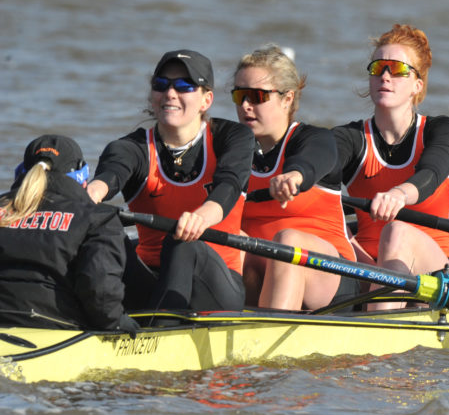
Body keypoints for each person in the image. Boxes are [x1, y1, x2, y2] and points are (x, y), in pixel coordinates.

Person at [87, 49, 255, 311]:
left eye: (185, 86)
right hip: (150, 280)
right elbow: (110, 176)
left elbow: (230, 184)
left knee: (183, 243)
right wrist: (90, 195)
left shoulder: (233, 138)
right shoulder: (130, 147)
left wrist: (201, 217)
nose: (170, 93)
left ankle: (157, 327)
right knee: (103, 229)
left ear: (206, 100)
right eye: (161, 84)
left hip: (214, 286)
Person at [334, 24, 449, 309]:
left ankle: (377, 339)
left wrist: (400, 195)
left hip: (434, 271)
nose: (385, 76)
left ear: (418, 84)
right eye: (378, 68)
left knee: (397, 230)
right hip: (365, 266)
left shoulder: (440, 131)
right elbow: (319, 182)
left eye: (398, 69)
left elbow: (431, 173)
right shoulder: (349, 138)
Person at [234, 45, 359, 310]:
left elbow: (314, 158)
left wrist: (294, 175)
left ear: (287, 98)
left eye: (256, 96)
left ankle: (268, 336)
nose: (245, 105)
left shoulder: (314, 139)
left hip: (332, 278)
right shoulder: (232, 150)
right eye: (239, 95)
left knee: (287, 239)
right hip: (262, 271)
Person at [0, 135, 137, 332]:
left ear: (21, 171)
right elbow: (99, 289)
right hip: (56, 326)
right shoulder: (99, 217)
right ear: (82, 176)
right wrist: (115, 321)